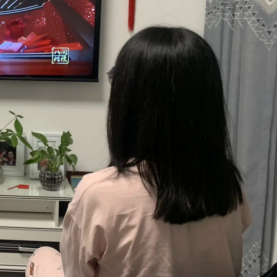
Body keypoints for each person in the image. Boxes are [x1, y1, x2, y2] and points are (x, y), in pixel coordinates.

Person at [26, 27, 252, 277]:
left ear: (129, 101)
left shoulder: (97, 194)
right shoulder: (229, 186)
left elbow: (76, 272)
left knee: (42, 256)